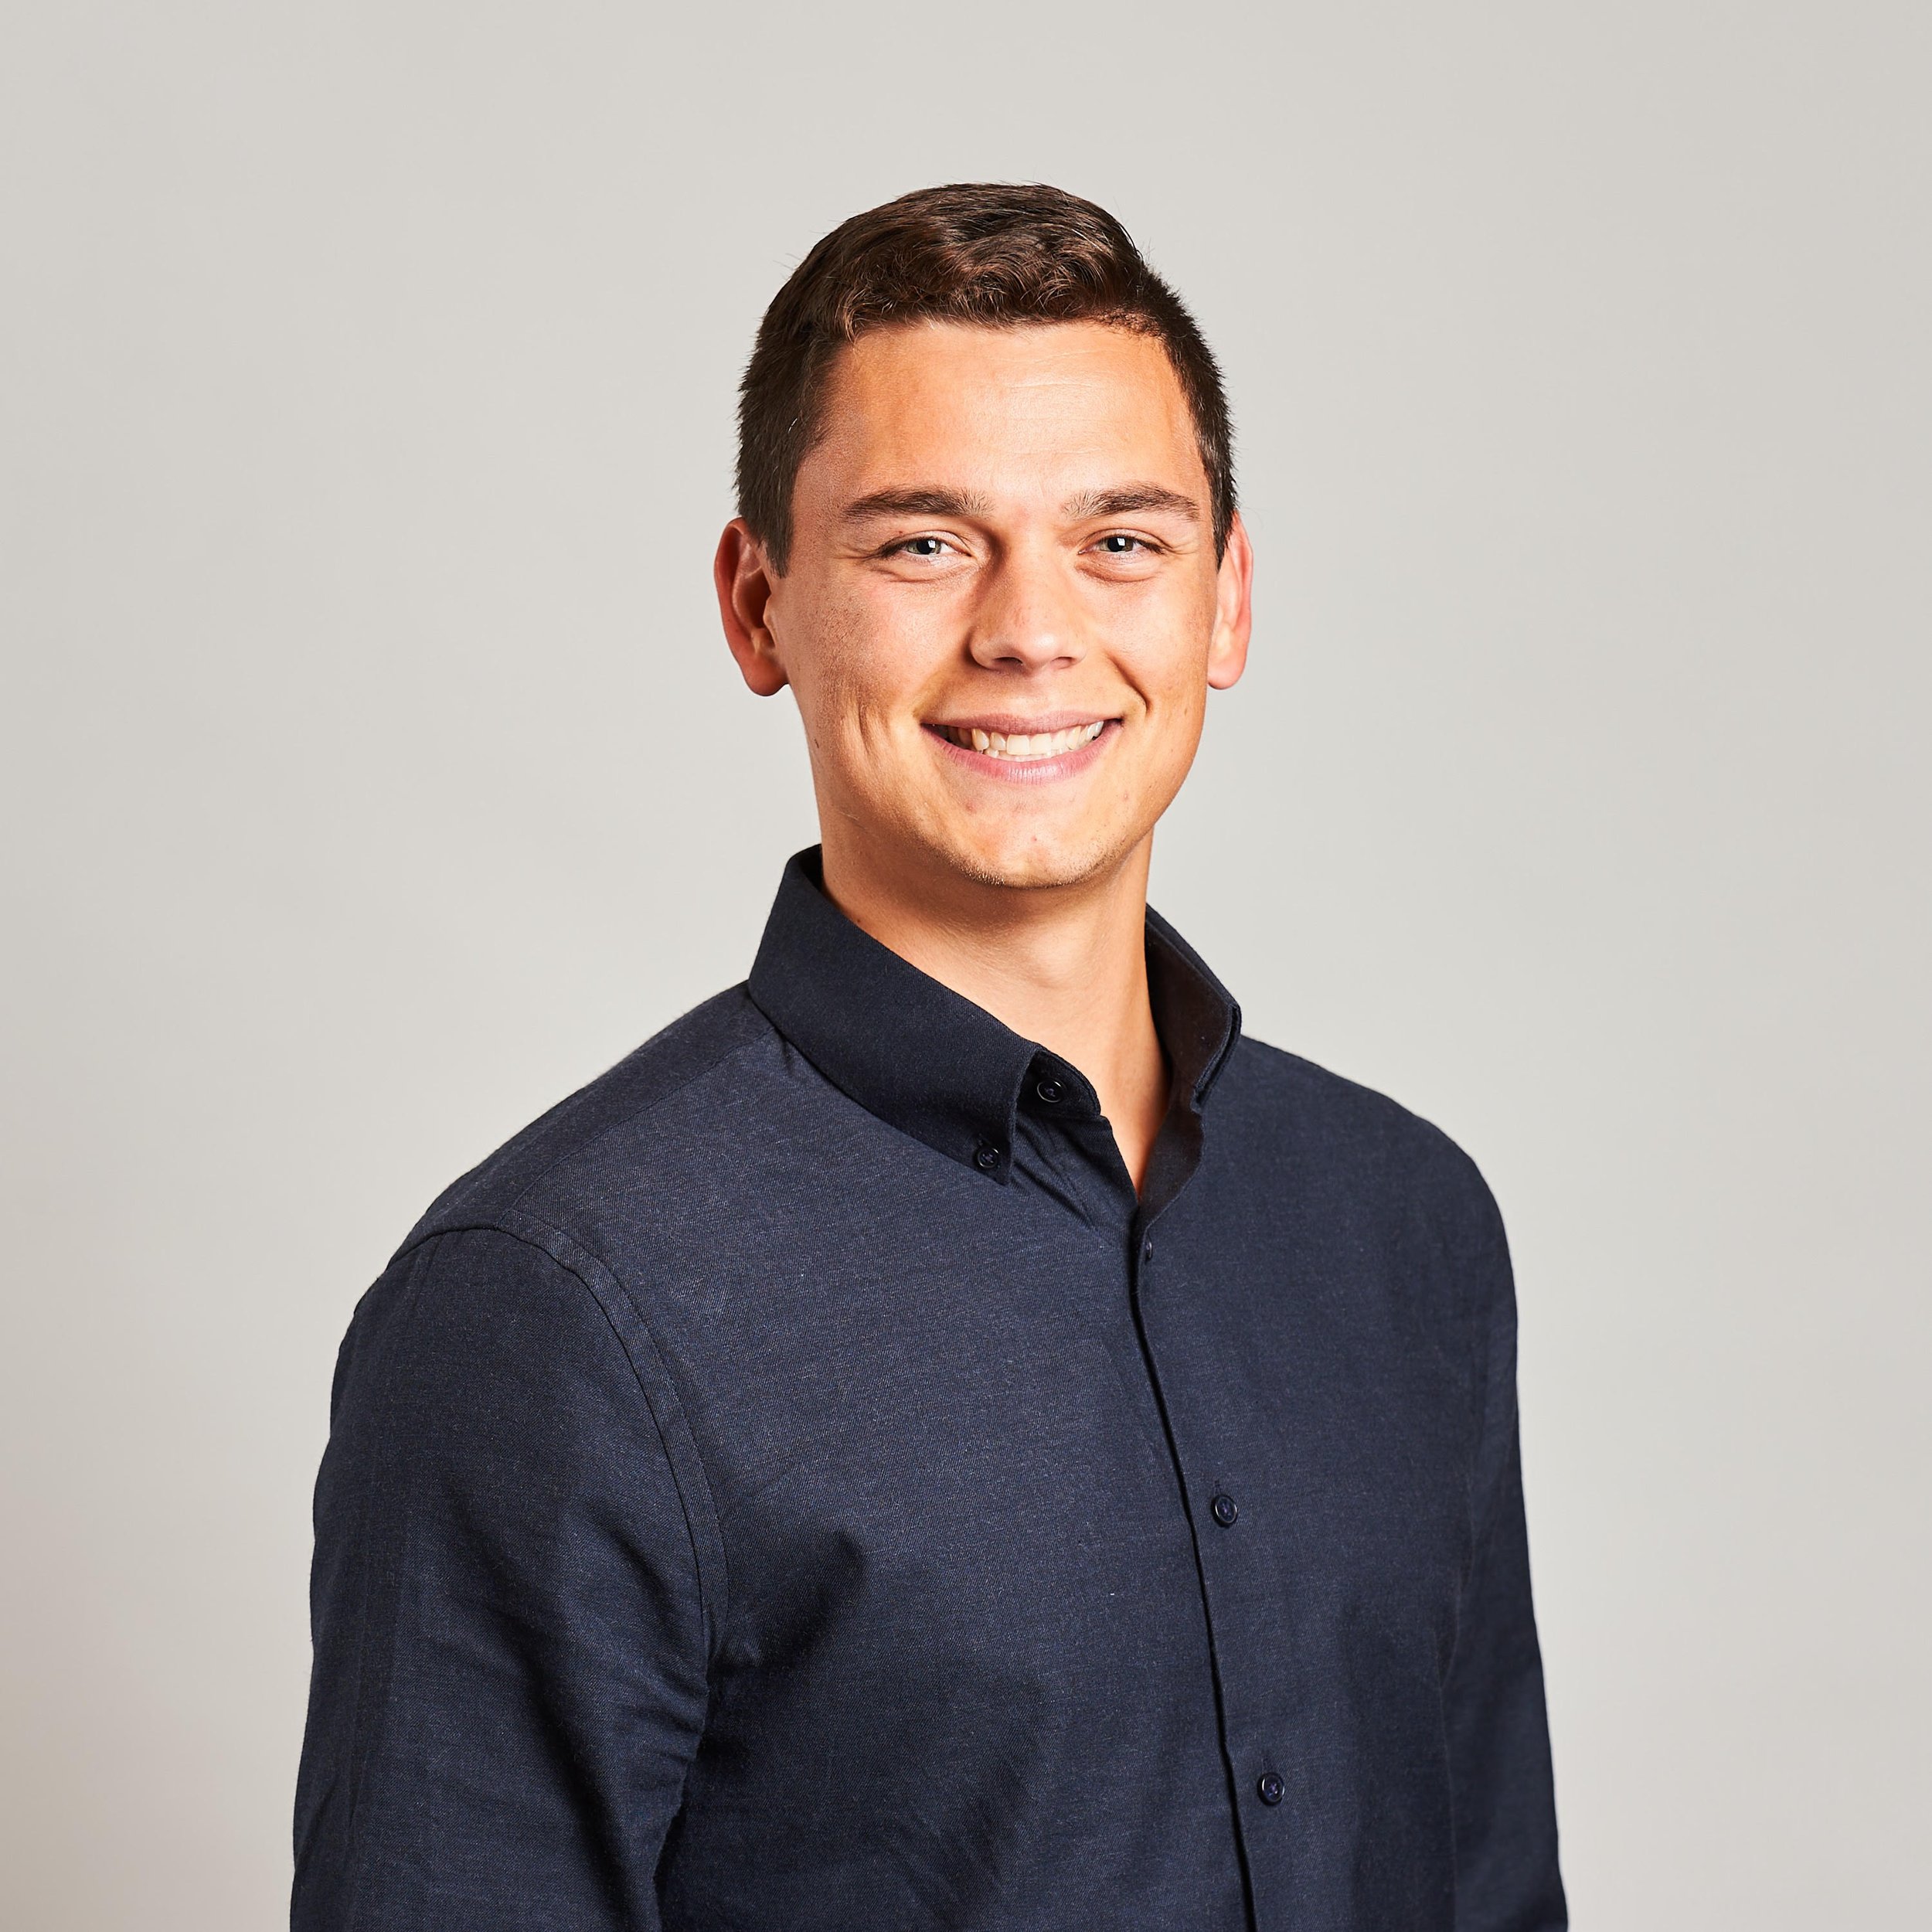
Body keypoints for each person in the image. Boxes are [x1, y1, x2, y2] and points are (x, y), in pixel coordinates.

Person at [292, 183, 1566, 1932]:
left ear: (1226, 601)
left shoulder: (1402, 1223)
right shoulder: (547, 1311)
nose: (1031, 630)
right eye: (921, 543)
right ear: (759, 605)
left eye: (1120, 539)